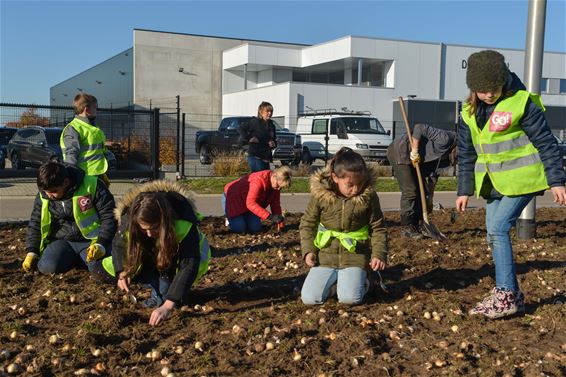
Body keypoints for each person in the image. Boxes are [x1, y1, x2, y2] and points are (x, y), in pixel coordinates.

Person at [456, 50, 566, 319]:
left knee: (498, 227)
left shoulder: (521, 102)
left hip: (524, 179)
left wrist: (557, 181)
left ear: (503, 80)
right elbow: (466, 151)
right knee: (491, 233)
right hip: (494, 182)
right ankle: (510, 294)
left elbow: (545, 142)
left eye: (494, 88)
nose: (489, 95)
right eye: (482, 90)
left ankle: (506, 293)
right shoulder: (469, 111)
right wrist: (464, 189)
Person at [99, 180, 210, 326]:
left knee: (168, 299)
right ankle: (153, 282)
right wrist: (121, 272)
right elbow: (119, 245)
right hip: (149, 257)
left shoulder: (183, 222)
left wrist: (168, 305)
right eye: (144, 229)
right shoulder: (129, 220)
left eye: (154, 228)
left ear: (164, 220)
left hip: (171, 261)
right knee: (99, 268)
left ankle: (165, 285)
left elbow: (188, 264)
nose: (150, 234)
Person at [300, 147, 387, 305]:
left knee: (350, 298)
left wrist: (378, 254)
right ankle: (339, 284)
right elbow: (307, 224)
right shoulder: (321, 196)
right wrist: (308, 251)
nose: (356, 189)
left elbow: (378, 228)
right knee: (309, 298)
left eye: (359, 184)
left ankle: (364, 282)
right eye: (350, 184)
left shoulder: (369, 197)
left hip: (355, 256)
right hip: (326, 256)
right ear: (335, 177)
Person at [22, 161, 116, 274]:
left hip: (91, 241)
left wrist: (101, 243)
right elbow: (35, 223)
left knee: (100, 270)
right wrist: (32, 251)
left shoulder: (93, 185)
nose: (48, 195)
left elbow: (109, 216)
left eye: (53, 191)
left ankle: (82, 259)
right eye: (45, 192)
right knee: (47, 267)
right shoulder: (44, 195)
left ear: (66, 182)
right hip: (62, 241)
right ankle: (77, 259)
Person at [387, 123, 456, 239]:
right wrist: (414, 150)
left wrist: (430, 198)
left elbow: (433, 177)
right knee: (411, 191)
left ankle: (419, 224)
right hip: (400, 151)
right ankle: (407, 227)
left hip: (416, 162)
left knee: (423, 192)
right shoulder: (445, 138)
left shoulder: (450, 158)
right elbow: (419, 127)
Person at [222, 166, 291, 233]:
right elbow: (250, 203)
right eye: (278, 185)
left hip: (248, 203)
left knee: (255, 228)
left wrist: (280, 222)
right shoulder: (258, 180)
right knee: (240, 228)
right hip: (233, 197)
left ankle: (242, 217)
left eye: (281, 187)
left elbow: (275, 205)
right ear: (274, 176)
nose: (278, 189)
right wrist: (269, 216)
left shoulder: (275, 187)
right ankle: (228, 218)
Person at [60, 93, 110, 186]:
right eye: (95, 107)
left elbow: (98, 150)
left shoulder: (92, 126)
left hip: (97, 175)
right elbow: (71, 155)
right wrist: (73, 178)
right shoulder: (73, 128)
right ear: (86, 109)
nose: (96, 110)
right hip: (84, 178)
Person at [238, 101, 277, 172]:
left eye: (271, 111)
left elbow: (274, 140)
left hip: (267, 158)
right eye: (267, 111)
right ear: (261, 112)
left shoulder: (272, 125)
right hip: (256, 158)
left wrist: (273, 143)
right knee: (257, 180)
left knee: (265, 181)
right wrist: (249, 138)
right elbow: (240, 128)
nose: (270, 113)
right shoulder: (255, 122)